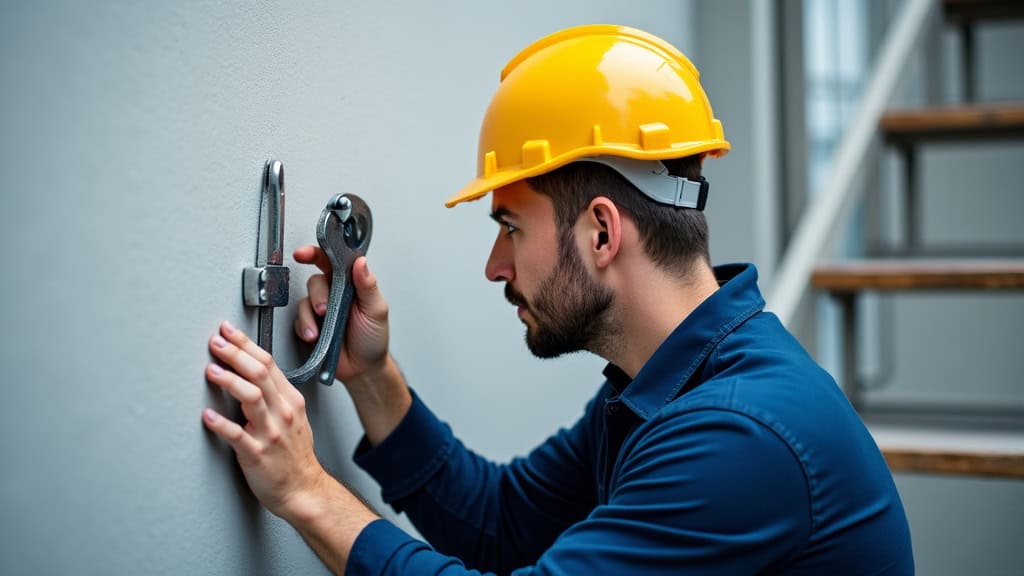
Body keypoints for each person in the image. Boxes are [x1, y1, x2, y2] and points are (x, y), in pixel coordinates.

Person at [202, 25, 914, 575]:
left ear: (602, 232)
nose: (494, 266)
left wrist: (306, 490)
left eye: (511, 227)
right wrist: (373, 377)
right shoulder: (661, 385)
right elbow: (503, 524)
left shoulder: (736, 437)